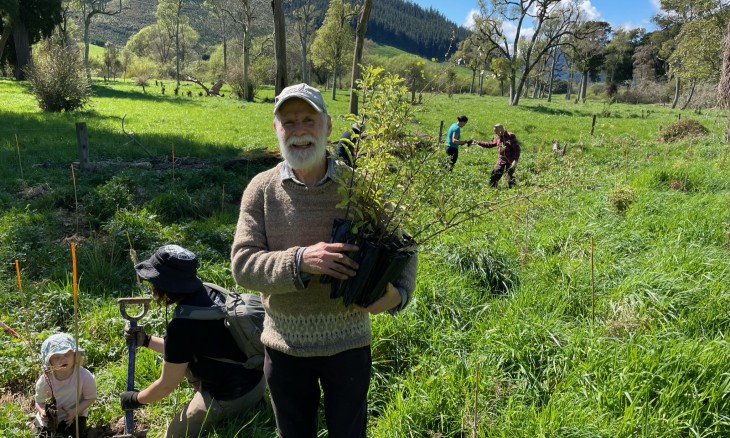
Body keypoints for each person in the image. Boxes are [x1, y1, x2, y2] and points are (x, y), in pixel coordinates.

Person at [230, 83, 417, 438]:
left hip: (348, 346)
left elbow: (405, 246)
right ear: (276, 129)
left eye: (308, 120)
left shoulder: (360, 187)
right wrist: (300, 260)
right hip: (284, 347)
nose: (299, 131)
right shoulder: (261, 189)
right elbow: (242, 265)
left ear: (328, 126)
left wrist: (400, 295)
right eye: (289, 122)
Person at [119, 244, 265, 438]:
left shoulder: (182, 326)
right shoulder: (208, 292)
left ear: (165, 285)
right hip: (256, 382)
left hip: (230, 396)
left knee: (173, 435)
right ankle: (254, 403)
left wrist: (136, 399)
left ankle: (235, 409)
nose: (152, 286)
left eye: (153, 281)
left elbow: (166, 385)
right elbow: (182, 352)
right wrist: (145, 340)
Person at [33, 333, 97, 438]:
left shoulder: (83, 375)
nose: (63, 359)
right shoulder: (45, 380)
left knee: (69, 434)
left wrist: (74, 411)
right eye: (57, 357)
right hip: (51, 418)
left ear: (74, 355)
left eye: (67, 354)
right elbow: (38, 401)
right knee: (42, 434)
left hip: (75, 415)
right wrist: (42, 412)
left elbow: (91, 397)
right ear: (49, 362)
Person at [474, 123, 521, 188]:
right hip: (501, 160)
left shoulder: (510, 136)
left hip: (510, 160)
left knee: (509, 176)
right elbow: (490, 144)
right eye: (495, 132)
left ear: (501, 129)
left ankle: (514, 190)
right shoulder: (498, 137)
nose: (496, 133)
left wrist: (515, 161)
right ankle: (493, 189)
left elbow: (517, 149)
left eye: (496, 131)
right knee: (495, 174)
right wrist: (478, 142)